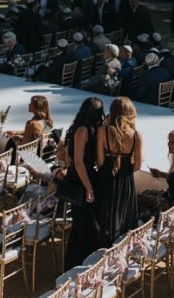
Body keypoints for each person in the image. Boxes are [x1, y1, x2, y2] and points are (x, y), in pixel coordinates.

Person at [60, 97, 103, 270]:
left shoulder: (89, 128)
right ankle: (72, 267)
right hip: (81, 180)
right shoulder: (83, 130)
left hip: (85, 177)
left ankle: (84, 265)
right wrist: (88, 188)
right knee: (81, 226)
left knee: (88, 226)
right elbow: (78, 162)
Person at [96, 97, 142, 245]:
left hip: (105, 179)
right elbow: (137, 166)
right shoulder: (136, 136)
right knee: (124, 219)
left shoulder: (102, 131)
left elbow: (100, 162)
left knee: (105, 219)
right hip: (125, 181)